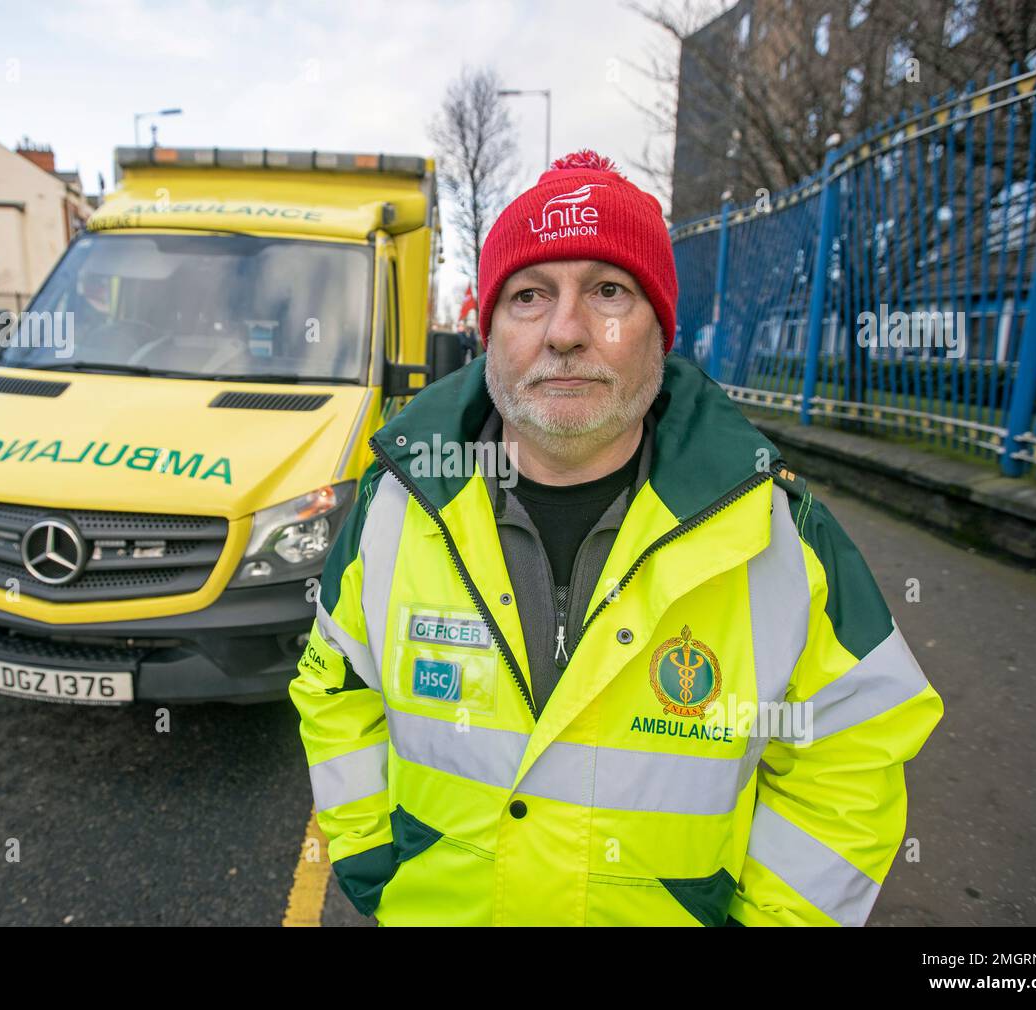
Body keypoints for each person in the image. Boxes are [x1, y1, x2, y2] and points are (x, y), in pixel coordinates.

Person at [288, 150, 944, 926]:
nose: (565, 331)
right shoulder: (396, 502)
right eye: (530, 294)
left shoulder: (782, 535)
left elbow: (851, 746)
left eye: (607, 290)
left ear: (659, 332)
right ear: (488, 330)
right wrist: (371, 856)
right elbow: (337, 684)